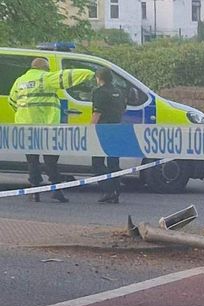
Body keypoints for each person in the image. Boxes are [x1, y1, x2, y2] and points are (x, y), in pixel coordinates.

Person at [9, 58, 94, 202]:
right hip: (48, 127)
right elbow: (68, 76)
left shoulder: (19, 81)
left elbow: (12, 101)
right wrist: (90, 73)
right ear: (45, 68)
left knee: (32, 161)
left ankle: (35, 191)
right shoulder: (46, 78)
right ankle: (56, 190)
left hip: (26, 127)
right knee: (51, 161)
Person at [90, 68, 126, 204]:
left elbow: (96, 114)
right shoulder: (119, 92)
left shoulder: (99, 92)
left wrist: (90, 130)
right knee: (113, 162)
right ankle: (116, 190)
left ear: (99, 78)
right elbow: (123, 109)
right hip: (116, 128)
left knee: (97, 163)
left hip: (103, 130)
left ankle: (108, 190)